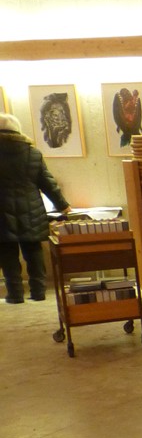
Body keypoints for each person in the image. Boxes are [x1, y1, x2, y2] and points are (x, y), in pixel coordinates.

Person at [0, 113, 71, 304]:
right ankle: (38, 292)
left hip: (1, 213)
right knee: (33, 251)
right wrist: (63, 206)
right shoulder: (33, 153)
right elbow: (47, 183)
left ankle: (15, 294)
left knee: (7, 254)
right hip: (32, 210)